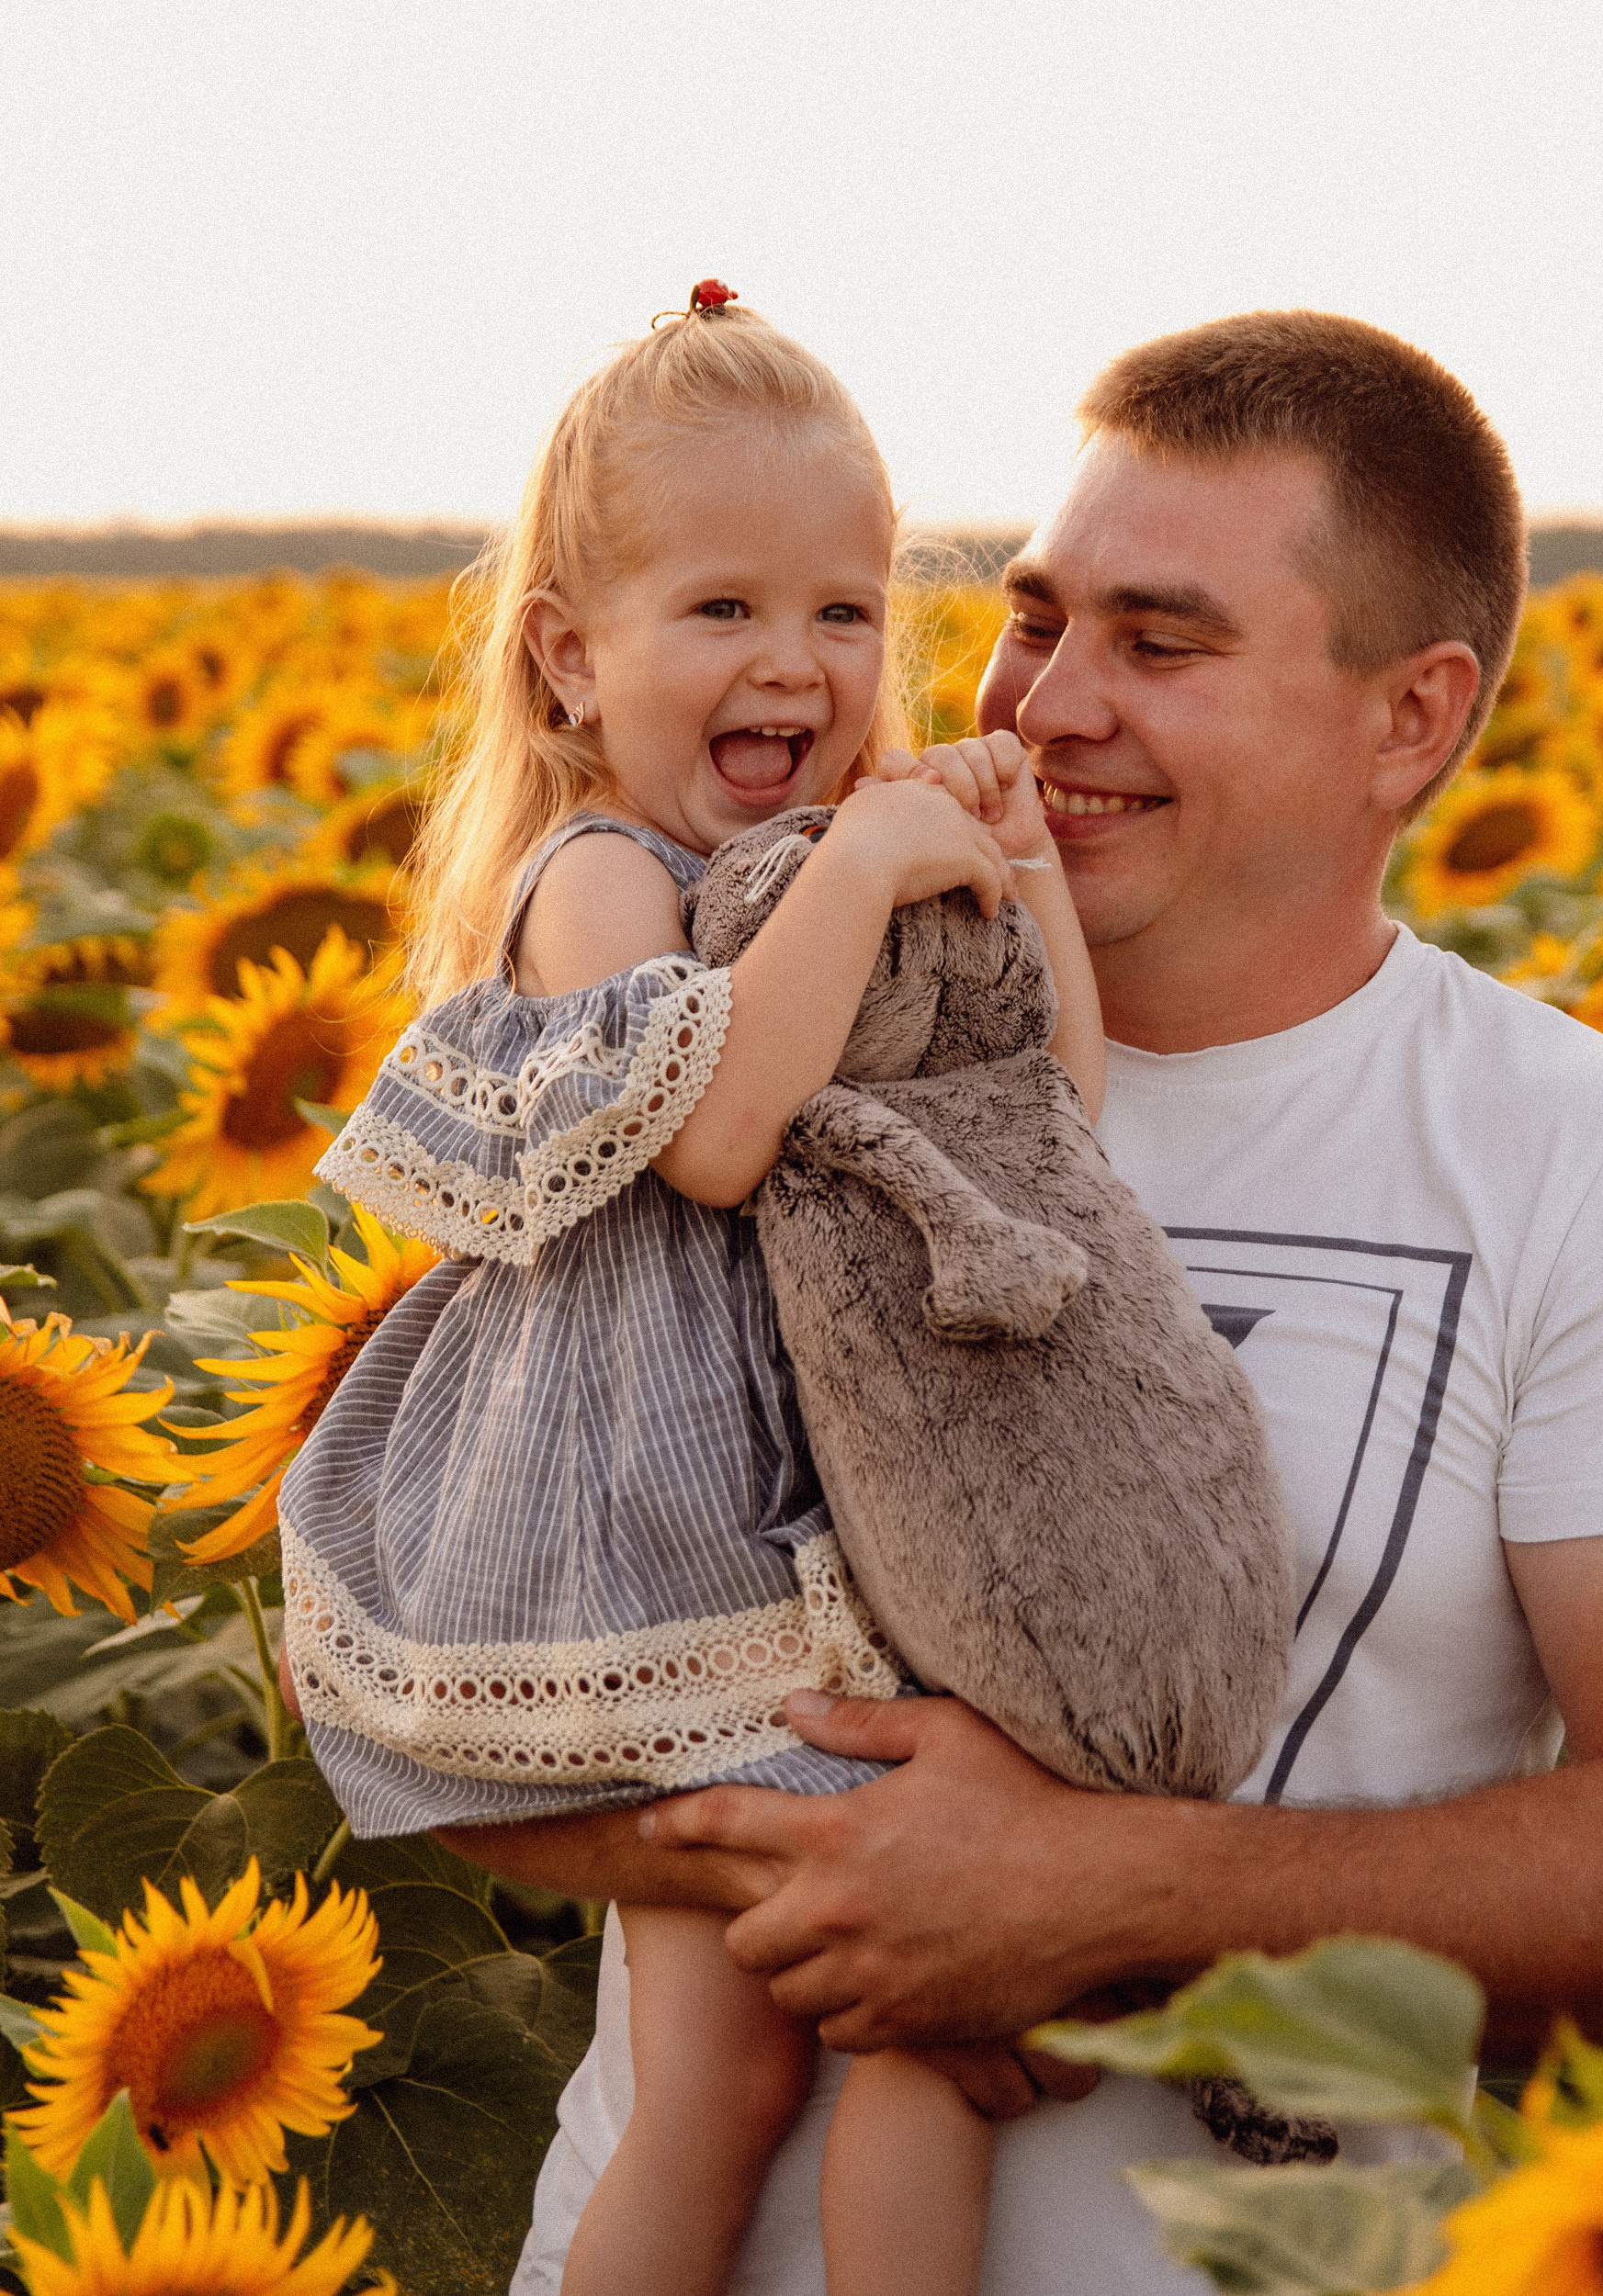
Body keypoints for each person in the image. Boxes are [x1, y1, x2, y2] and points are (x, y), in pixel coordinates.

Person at [470, 310, 1603, 2296]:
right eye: (1033, 615)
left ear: (1412, 718)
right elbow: (428, 1643)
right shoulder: (738, 1003)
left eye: (1160, 642)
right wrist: (840, 1865)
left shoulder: (1597, 1161)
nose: (1049, 699)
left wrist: (1096, 1894)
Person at [277, 289, 1114, 2296]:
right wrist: (870, 864)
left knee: (804, 2061)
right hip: (654, 1543)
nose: (798, 662)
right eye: (723, 608)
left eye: (844, 614)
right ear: (570, 656)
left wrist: (1024, 881)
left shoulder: (854, 862)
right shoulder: (600, 869)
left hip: (830, 1514)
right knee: (808, 2052)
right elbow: (717, 1127)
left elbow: (1052, 1120)